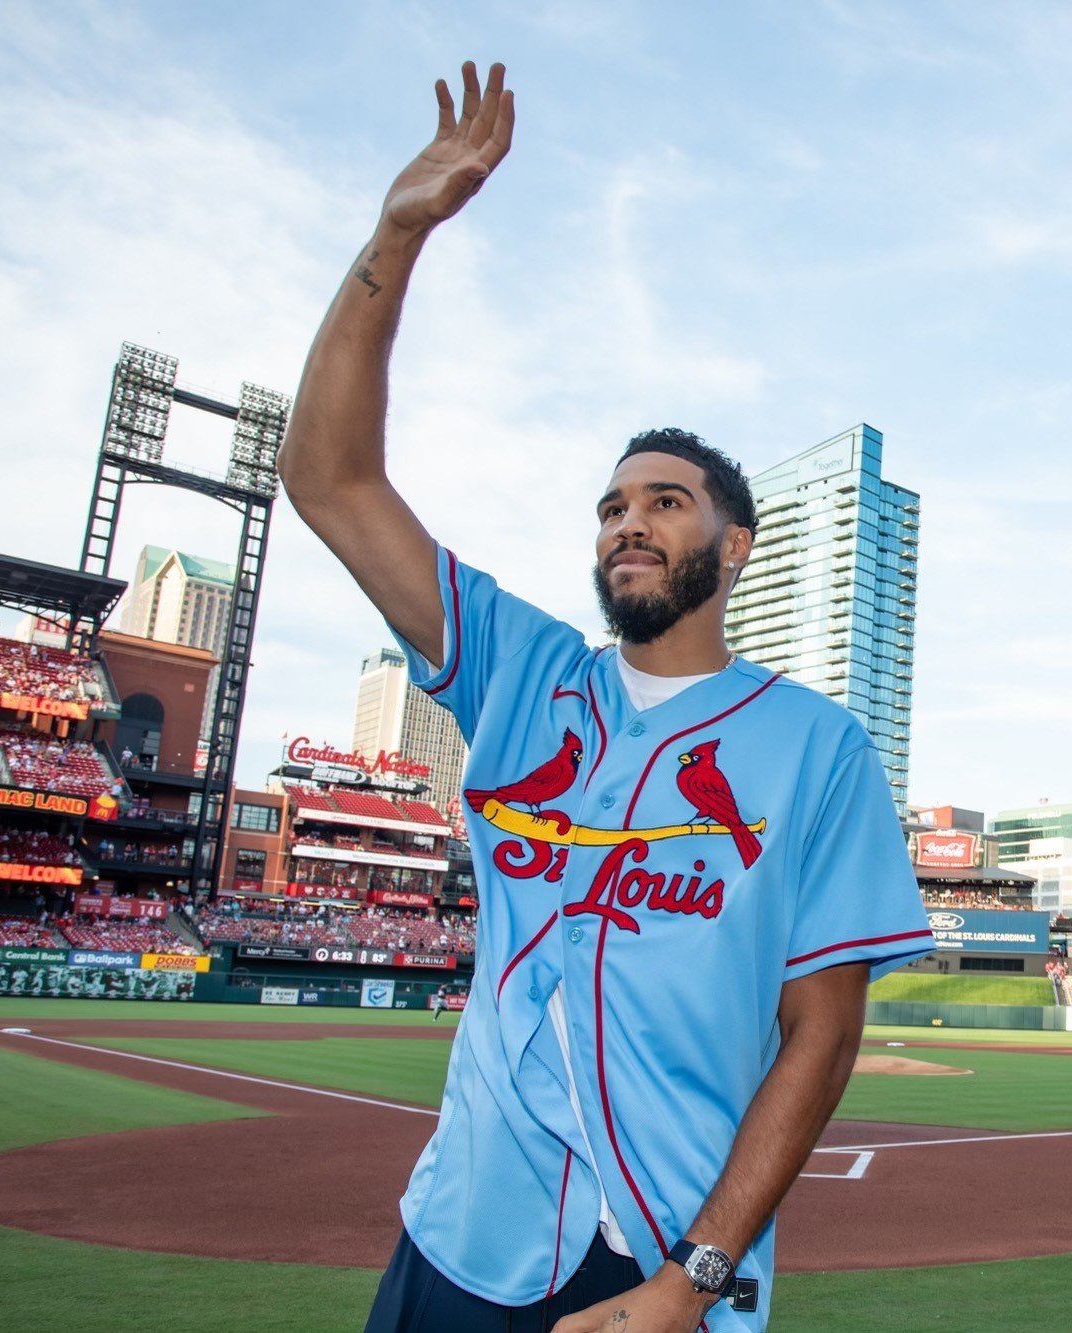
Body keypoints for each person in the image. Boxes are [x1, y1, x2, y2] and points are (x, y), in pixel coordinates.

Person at [278, 61, 933, 1333]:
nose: (628, 521)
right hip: (464, 1233)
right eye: (612, 505)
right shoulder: (525, 675)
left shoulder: (817, 750)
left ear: (733, 547)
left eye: (665, 501)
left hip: (656, 1264)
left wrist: (697, 1278)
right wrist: (396, 235)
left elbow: (819, 1034)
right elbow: (330, 480)